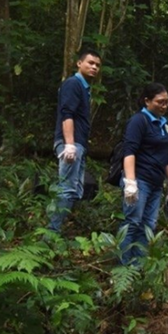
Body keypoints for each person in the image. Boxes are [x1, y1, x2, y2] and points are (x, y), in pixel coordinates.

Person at [118, 83, 168, 266]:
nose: (164, 106)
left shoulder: (164, 124)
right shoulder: (139, 121)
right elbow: (129, 151)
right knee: (132, 223)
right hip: (140, 180)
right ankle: (122, 267)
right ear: (147, 101)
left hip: (156, 182)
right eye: (160, 102)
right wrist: (130, 182)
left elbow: (165, 154)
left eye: (167, 102)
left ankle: (138, 266)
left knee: (148, 225)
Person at [47, 48, 102, 234]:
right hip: (71, 144)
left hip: (78, 144)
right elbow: (67, 113)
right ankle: (51, 234)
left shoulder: (84, 87)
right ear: (79, 63)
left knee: (75, 190)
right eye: (90, 63)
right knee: (67, 189)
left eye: (97, 65)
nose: (94, 67)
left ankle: (57, 229)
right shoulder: (73, 84)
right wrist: (69, 144)